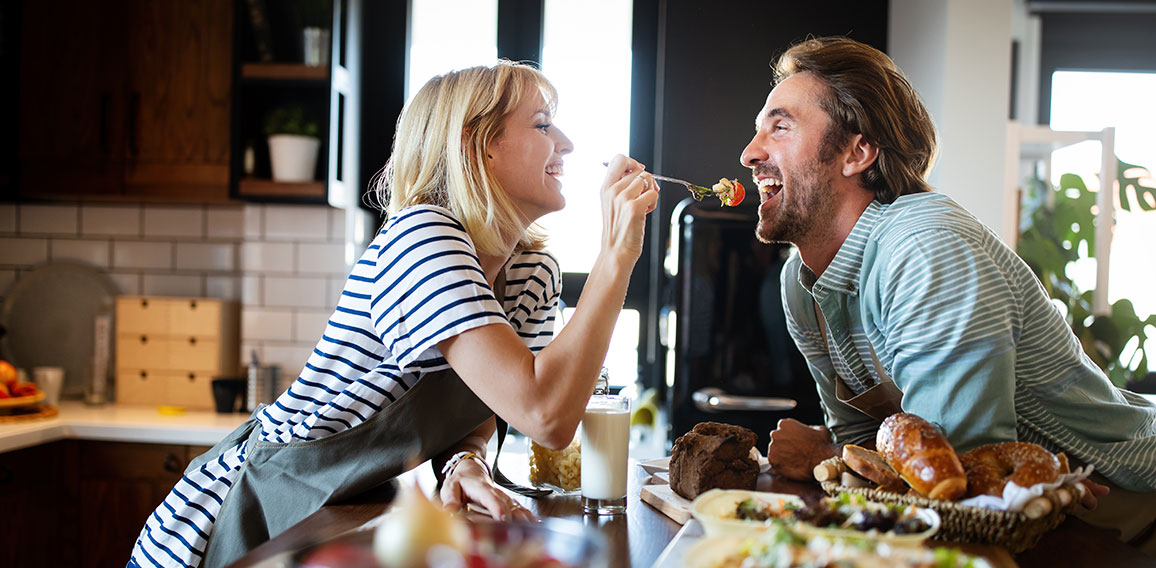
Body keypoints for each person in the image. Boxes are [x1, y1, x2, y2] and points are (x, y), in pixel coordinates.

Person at [128, 61, 658, 568]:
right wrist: (616, 253)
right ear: (476, 145)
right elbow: (545, 413)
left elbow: (496, 402)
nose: (565, 143)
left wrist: (465, 458)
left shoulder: (531, 273)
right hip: (240, 510)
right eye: (543, 125)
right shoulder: (422, 236)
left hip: (337, 507)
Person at [742, 36, 1156, 554]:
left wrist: (823, 451)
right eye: (758, 131)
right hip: (1027, 529)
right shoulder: (800, 285)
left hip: (1130, 512)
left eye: (780, 127)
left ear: (857, 151)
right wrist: (841, 452)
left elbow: (956, 482)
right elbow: (865, 451)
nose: (750, 153)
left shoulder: (925, 246)